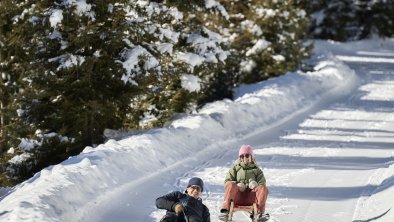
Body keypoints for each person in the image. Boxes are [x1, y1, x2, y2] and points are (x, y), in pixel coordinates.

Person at [219, 145, 269, 222]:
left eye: (247, 155)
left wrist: (255, 185)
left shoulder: (257, 170)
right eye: (242, 156)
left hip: (251, 197)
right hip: (237, 196)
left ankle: (259, 214)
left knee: (263, 189)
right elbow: (227, 181)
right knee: (230, 185)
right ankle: (225, 211)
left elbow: (262, 184)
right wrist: (237, 184)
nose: (244, 158)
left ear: (251, 157)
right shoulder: (235, 168)